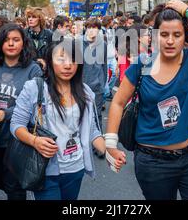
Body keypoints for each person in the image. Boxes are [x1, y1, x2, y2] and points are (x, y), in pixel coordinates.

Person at [106, 0, 188, 200]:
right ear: (155, 36)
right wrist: (110, 144)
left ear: (185, 37)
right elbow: (118, 102)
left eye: (177, 35)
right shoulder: (144, 64)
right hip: (152, 162)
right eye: (164, 34)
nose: (169, 40)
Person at [10, 39, 113, 200]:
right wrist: (35, 141)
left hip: (76, 169)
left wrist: (109, 151)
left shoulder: (85, 92)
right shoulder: (34, 88)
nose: (68, 65)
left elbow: (92, 131)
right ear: (49, 61)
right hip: (45, 170)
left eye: (73, 60)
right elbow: (16, 125)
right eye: (61, 59)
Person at [0, 23, 42, 200]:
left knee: (14, 187)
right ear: (0, 43)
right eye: (6, 40)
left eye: (16, 40)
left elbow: (36, 103)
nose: (11, 44)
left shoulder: (33, 69)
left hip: (18, 139)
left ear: (23, 43)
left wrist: (6, 113)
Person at [82, 18, 107, 138]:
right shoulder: (78, 44)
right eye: (89, 27)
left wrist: (103, 84)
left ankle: (98, 140)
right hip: (81, 86)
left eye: (95, 28)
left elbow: (104, 66)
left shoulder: (103, 45)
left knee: (97, 115)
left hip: (97, 88)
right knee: (82, 115)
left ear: (98, 30)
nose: (92, 30)